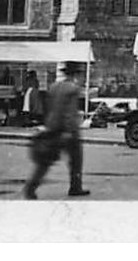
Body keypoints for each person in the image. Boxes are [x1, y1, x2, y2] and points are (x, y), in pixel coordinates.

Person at [24, 61, 90, 199]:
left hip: (52, 127)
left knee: (45, 160)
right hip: (67, 130)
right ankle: (75, 187)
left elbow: (49, 108)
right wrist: (70, 130)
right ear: (75, 74)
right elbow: (70, 112)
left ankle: (31, 187)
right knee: (76, 159)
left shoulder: (54, 87)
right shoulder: (73, 89)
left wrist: (48, 125)